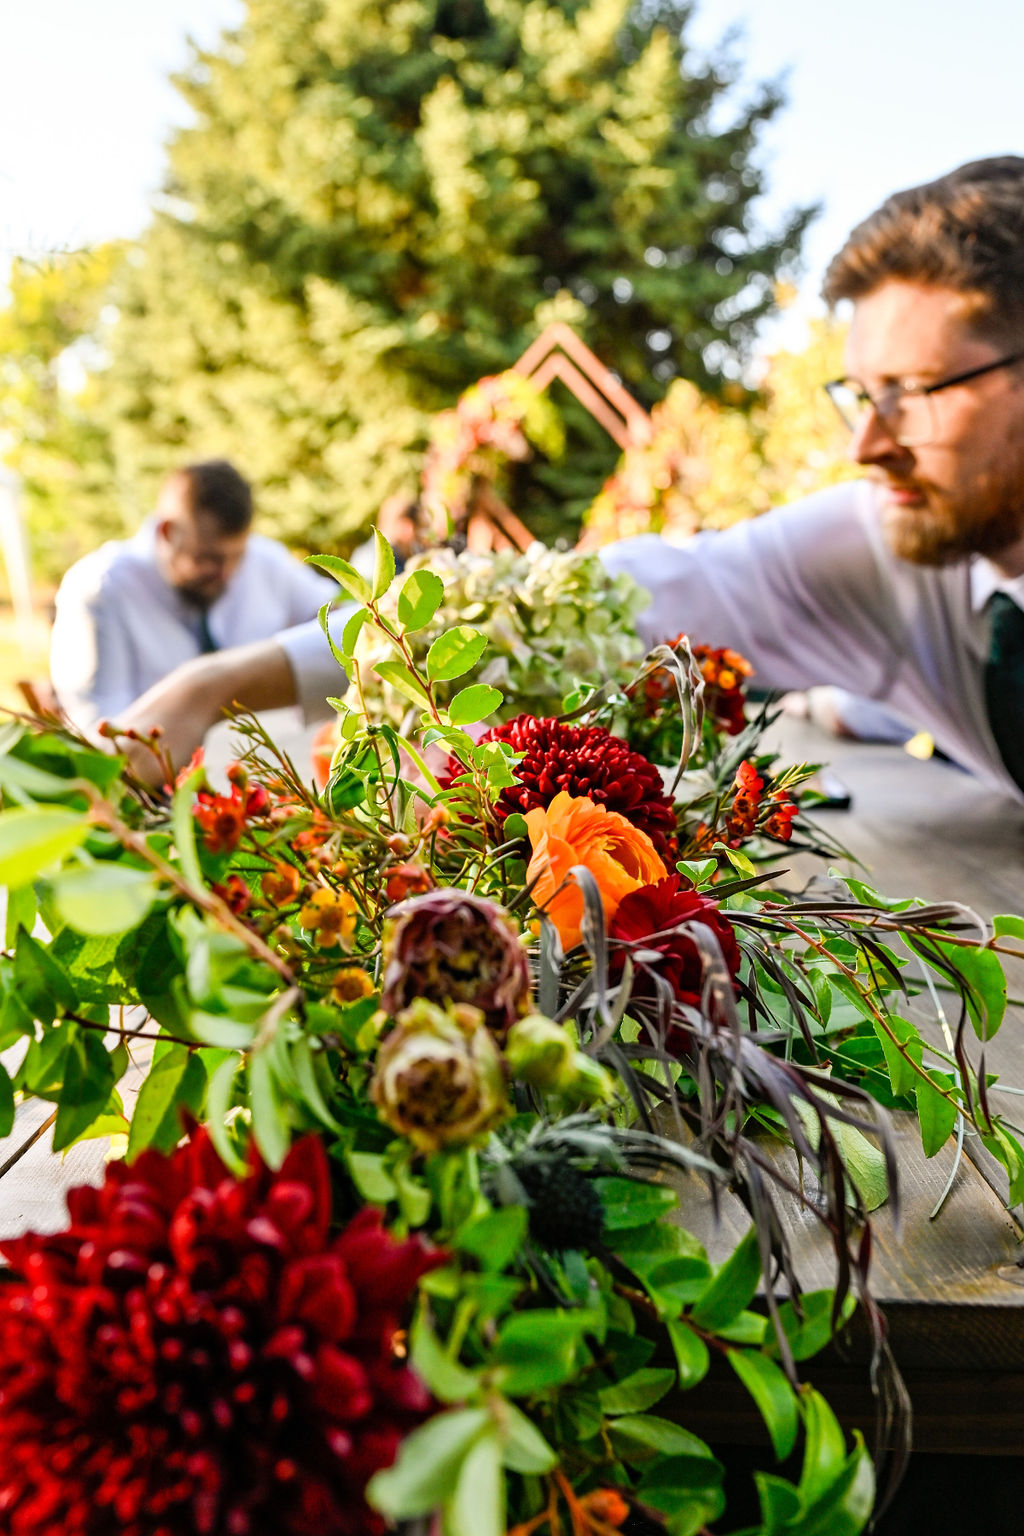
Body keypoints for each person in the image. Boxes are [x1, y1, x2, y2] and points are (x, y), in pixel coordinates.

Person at [114, 157, 1024, 800]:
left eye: (914, 393)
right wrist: (208, 685)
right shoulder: (887, 547)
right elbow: (573, 602)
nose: (867, 442)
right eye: (860, 393)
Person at [49, 459, 337, 732]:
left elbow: (336, 614)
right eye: (207, 558)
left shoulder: (264, 560)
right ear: (167, 532)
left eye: (236, 556)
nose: (226, 573)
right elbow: (100, 729)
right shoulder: (99, 590)